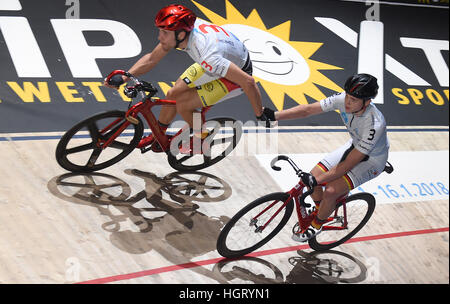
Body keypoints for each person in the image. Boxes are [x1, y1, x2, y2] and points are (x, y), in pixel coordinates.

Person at [104, 4, 271, 151]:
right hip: (221, 58)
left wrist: (259, 114)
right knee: (173, 93)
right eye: (160, 30)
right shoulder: (183, 30)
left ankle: (201, 137)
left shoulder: (207, 54)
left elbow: (248, 82)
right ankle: (158, 136)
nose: (159, 37)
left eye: (164, 32)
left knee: (184, 105)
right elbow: (151, 59)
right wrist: (126, 76)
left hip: (235, 76)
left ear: (182, 35)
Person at [263, 73, 389, 242]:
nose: (347, 102)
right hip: (354, 144)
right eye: (348, 97)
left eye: (353, 100)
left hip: (372, 160)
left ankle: (317, 224)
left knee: (330, 190)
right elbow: (308, 110)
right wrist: (276, 115)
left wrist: (318, 180)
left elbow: (347, 165)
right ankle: (321, 208)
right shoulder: (342, 99)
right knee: (312, 178)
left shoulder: (374, 124)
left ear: (367, 102)